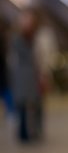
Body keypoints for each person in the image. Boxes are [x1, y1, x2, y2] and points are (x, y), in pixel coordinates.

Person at [8, 7, 46, 142]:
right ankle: (24, 133)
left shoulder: (36, 37)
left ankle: (35, 131)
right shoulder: (18, 39)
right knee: (24, 106)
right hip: (24, 76)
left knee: (35, 105)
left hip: (32, 76)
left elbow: (40, 58)